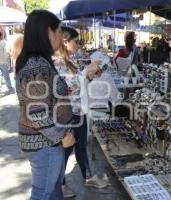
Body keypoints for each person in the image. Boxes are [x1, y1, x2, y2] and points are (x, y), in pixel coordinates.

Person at [15, 10, 76, 200]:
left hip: (45, 142)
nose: (61, 37)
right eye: (59, 32)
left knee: (53, 192)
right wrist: (60, 137)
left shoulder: (38, 62)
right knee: (43, 194)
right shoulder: (36, 65)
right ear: (49, 32)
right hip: (45, 144)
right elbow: (37, 112)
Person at [53, 26, 106, 198]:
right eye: (76, 41)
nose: (79, 45)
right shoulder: (58, 63)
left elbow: (78, 84)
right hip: (69, 114)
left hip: (78, 111)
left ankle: (88, 176)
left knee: (81, 146)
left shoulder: (69, 60)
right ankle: (59, 184)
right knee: (66, 150)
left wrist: (90, 75)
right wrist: (86, 72)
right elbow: (67, 88)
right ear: (65, 41)